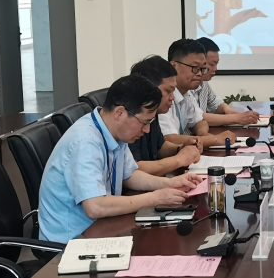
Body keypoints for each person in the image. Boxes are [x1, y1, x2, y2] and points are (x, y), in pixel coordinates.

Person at [37, 75, 204, 243]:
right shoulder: (86, 142)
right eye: (144, 122)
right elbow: (95, 207)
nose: (147, 130)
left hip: (101, 227)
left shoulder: (114, 131)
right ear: (120, 113)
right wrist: (153, 198)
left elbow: (129, 175)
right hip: (69, 243)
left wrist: (169, 183)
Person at [127, 55, 203, 175]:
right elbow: (133, 169)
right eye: (168, 91)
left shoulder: (153, 112)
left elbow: (160, 147)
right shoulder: (129, 118)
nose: (172, 97)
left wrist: (181, 148)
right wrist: (178, 160)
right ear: (148, 89)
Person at [158, 38, 238, 148]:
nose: (200, 73)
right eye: (195, 68)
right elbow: (169, 139)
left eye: (202, 68)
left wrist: (203, 134)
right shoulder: (162, 95)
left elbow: (200, 120)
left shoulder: (186, 93)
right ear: (173, 66)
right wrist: (214, 139)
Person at [193, 37, 260, 126]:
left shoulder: (204, 83)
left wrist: (230, 111)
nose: (215, 69)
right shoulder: (187, 85)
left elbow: (216, 103)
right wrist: (236, 118)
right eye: (212, 64)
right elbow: (196, 117)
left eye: (216, 64)